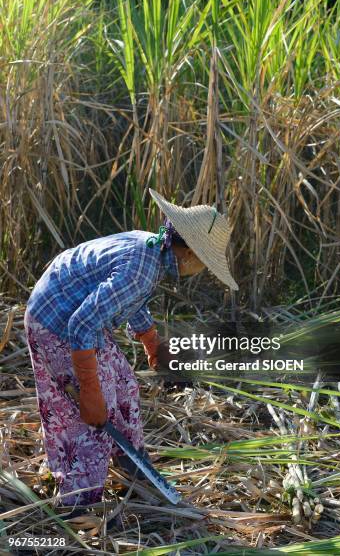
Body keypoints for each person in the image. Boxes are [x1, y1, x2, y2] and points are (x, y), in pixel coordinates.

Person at [24, 188, 238, 510]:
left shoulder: (151, 247)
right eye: (205, 263)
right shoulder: (142, 266)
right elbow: (80, 325)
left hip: (81, 319)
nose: (202, 270)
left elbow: (125, 301)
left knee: (124, 386)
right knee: (91, 422)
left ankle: (133, 465)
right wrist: (91, 392)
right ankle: (78, 503)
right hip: (56, 322)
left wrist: (153, 344)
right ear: (191, 255)